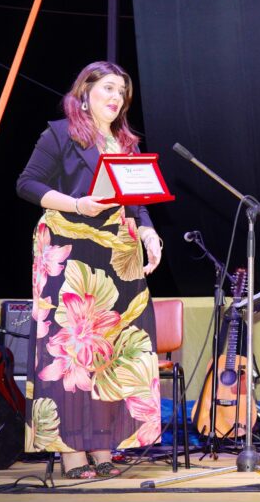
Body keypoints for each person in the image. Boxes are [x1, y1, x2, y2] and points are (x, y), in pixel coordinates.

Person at [17, 61, 164, 479]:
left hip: (116, 255)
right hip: (69, 250)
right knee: (70, 352)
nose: (116, 98)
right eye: (108, 89)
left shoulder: (125, 143)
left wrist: (150, 234)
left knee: (112, 353)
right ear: (85, 93)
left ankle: (103, 447)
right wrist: (77, 204)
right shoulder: (59, 133)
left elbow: (136, 202)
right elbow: (27, 184)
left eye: (122, 93)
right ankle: (71, 455)